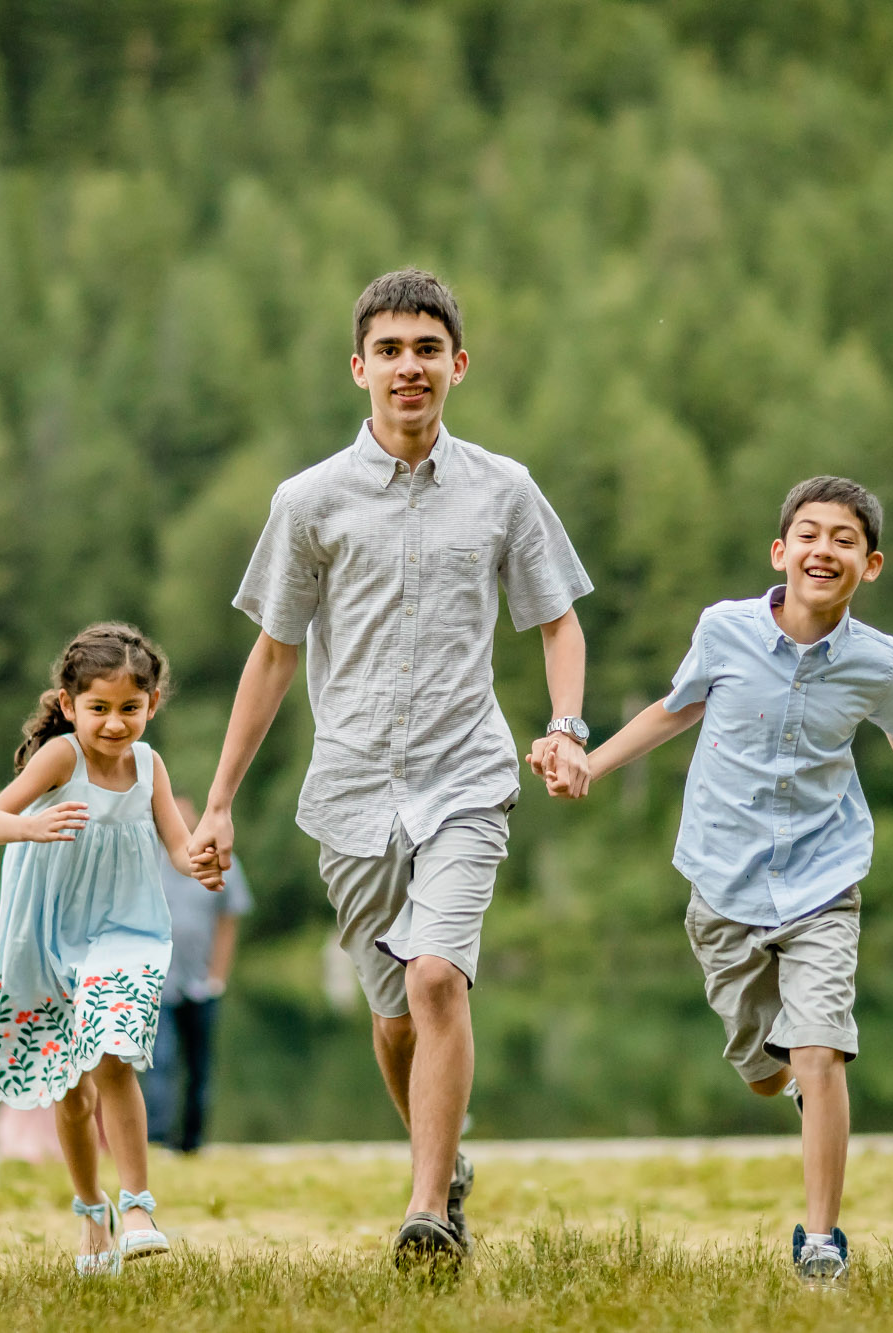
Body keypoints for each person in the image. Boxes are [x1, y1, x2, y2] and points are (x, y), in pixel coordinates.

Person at [188, 268, 594, 1264]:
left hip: (466, 776)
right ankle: (441, 1158)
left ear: (456, 364)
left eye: (426, 349)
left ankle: (425, 1212)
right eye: (389, 350)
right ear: (358, 368)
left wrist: (567, 725)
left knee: (438, 977)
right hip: (353, 791)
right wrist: (217, 804)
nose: (408, 367)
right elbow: (274, 654)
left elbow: (556, 620)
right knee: (393, 1015)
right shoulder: (308, 501)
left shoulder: (504, 489)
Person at [534, 476, 893, 1285]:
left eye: (845, 539)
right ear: (781, 551)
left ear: (872, 563)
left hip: (825, 877)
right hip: (722, 879)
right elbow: (674, 710)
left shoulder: (877, 662)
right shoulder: (725, 629)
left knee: (821, 1051)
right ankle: (790, 1084)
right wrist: (591, 764)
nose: (826, 550)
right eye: (810, 535)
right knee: (765, 1072)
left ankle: (821, 1241)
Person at [0, 623, 222, 1276]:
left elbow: (176, 842)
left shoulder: (150, 766)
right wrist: (32, 825)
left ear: (153, 704)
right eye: (100, 708)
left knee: (115, 1057)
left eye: (130, 709)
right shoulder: (61, 759)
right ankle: (93, 1212)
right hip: (54, 938)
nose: (115, 724)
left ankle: (138, 1205)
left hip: (127, 929)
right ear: (67, 703)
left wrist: (199, 861)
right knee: (71, 1091)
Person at [144, 795, 254, 1153]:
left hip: (199, 982)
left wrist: (217, 975)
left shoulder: (220, 860)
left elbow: (229, 919)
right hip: (157, 983)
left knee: (198, 1065)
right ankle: (156, 1137)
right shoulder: (149, 860)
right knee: (158, 1060)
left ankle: (191, 1141)